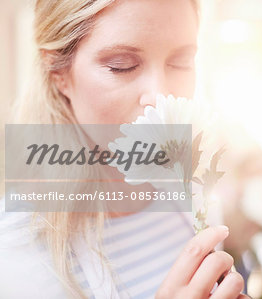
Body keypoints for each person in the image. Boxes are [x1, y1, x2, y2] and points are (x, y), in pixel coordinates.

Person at [0, 1, 248, 298]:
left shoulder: (194, 197)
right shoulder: (15, 244)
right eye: (122, 66)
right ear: (59, 74)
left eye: (181, 62)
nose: (161, 96)